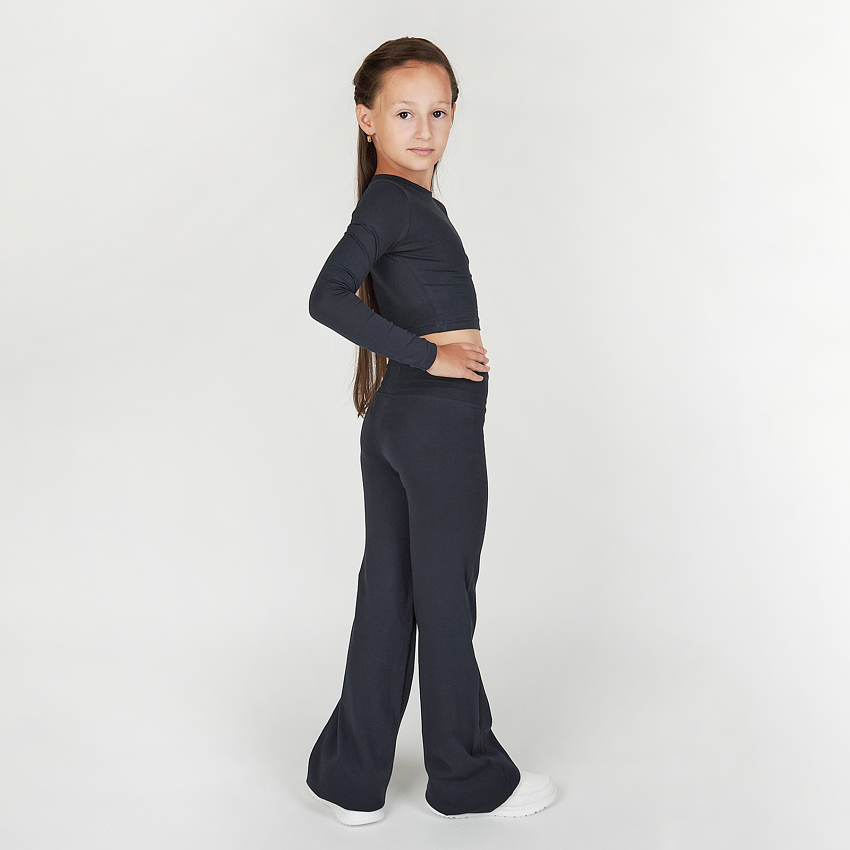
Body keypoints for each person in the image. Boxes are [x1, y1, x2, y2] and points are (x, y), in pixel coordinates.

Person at [305, 36, 556, 825]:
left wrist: (418, 361)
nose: (424, 130)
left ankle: (352, 782)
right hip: (434, 426)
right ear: (367, 119)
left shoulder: (400, 204)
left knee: (390, 595)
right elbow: (326, 296)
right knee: (445, 600)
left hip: (398, 424)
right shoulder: (393, 201)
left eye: (438, 113)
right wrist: (429, 355)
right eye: (404, 113)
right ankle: (466, 776)